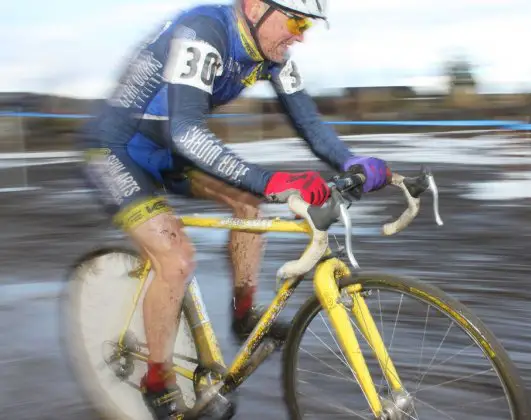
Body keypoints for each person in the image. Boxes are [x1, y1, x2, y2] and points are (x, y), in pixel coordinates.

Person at [78, 0, 390, 418]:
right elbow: (186, 130)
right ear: (256, 6)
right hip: (115, 149)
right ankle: (157, 379)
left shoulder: (271, 52)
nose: (301, 34)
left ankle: (244, 316)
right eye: (296, 20)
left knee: (248, 204)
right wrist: (271, 179)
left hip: (166, 149)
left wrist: (350, 161)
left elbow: (310, 124)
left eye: (308, 26)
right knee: (175, 258)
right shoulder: (204, 31)